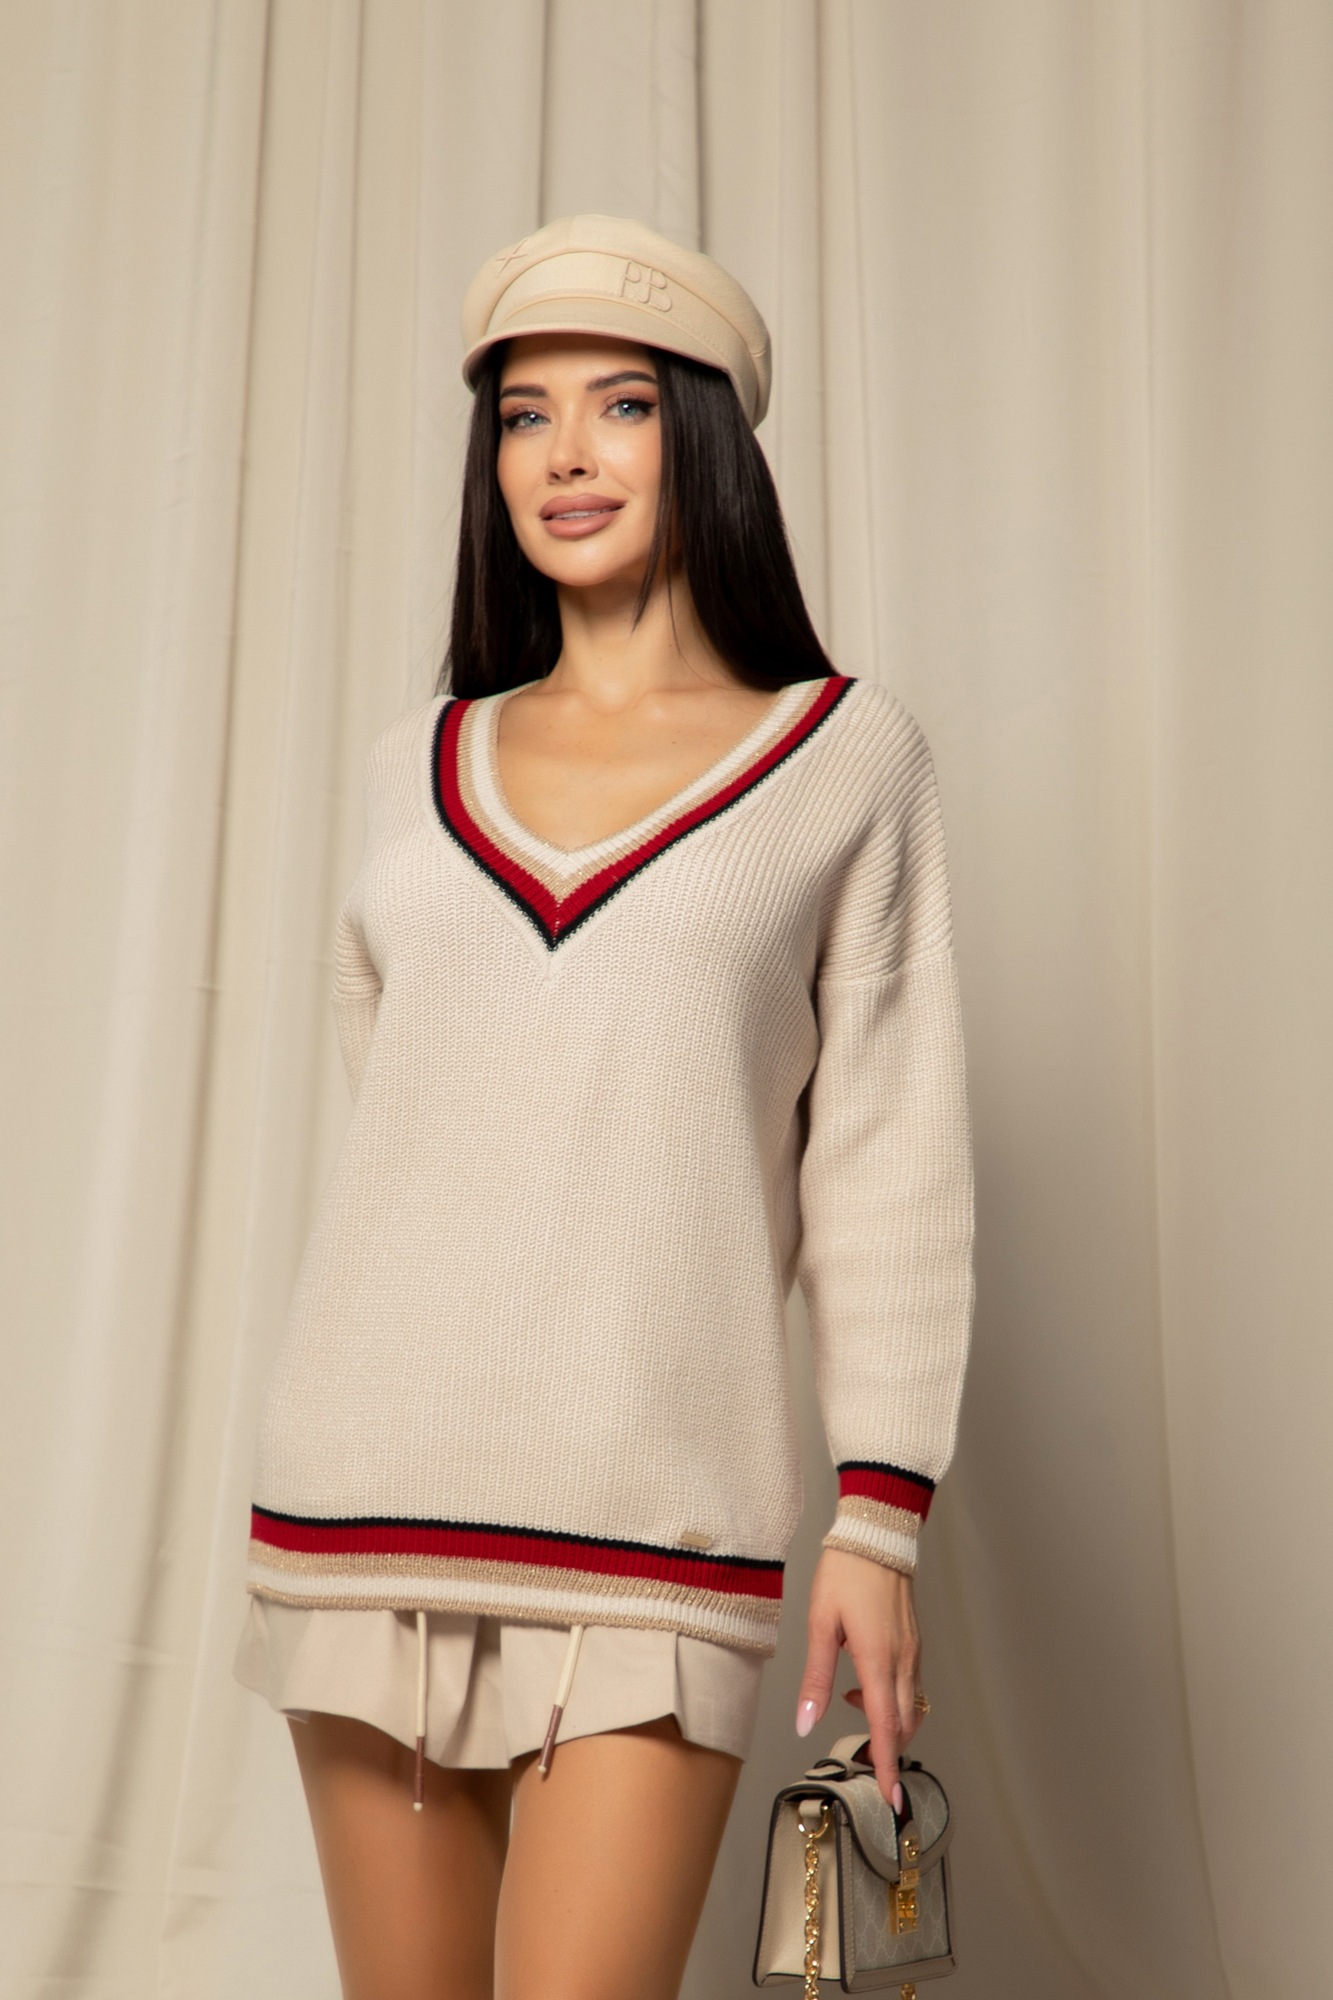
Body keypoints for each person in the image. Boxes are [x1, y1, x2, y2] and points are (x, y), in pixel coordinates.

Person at [234, 214, 974, 2000]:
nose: (564, 454)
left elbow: (887, 1153)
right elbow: (415, 1119)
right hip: (361, 1495)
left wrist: (877, 1517)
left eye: (621, 405)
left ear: (699, 438)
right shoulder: (416, 763)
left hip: (653, 1522)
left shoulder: (843, 757)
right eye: (523, 415)